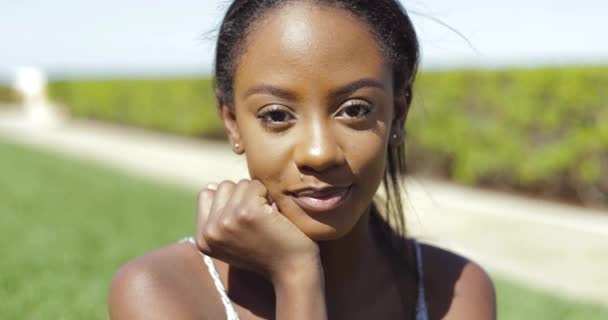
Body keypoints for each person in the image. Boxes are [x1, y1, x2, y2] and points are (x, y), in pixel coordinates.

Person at [108, 1, 496, 319]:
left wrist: (296, 277)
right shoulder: (161, 291)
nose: (319, 152)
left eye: (355, 110)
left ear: (398, 115)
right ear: (233, 125)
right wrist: (297, 275)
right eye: (277, 115)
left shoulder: (454, 291)